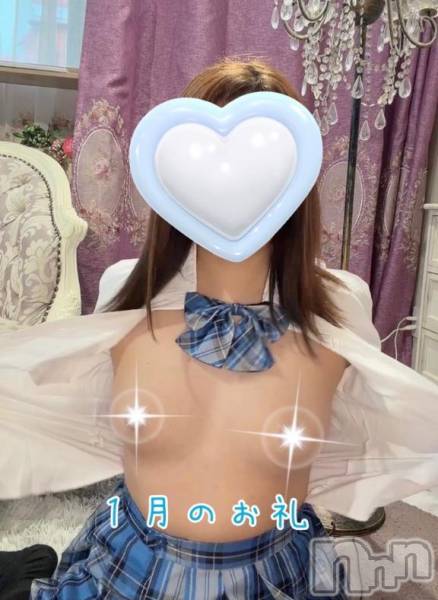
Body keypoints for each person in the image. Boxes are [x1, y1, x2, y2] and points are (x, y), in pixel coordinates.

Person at [1, 58, 438, 599]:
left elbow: (370, 434)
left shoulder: (338, 314)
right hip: (135, 558)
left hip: (274, 568)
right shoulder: (128, 303)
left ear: (293, 179)